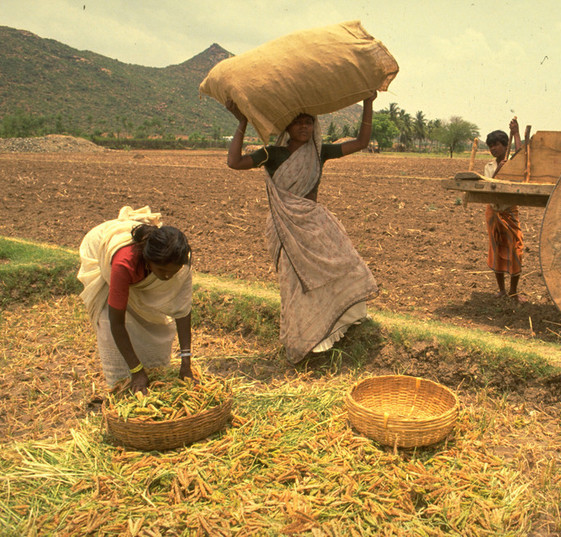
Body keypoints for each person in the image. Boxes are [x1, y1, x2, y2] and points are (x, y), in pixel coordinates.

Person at [225, 95, 379, 364]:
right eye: (298, 123)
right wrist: (243, 121)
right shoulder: (272, 154)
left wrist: (368, 103)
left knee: (339, 268)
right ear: (288, 127)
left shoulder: (320, 152)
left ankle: (333, 330)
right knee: (294, 285)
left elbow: (361, 142)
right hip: (285, 228)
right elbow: (234, 162)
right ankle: (303, 341)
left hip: (315, 225)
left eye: (309, 122)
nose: (304, 127)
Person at [77, 206, 194, 394]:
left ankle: (151, 370)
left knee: (155, 326)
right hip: (100, 251)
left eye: (172, 271)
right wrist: (136, 371)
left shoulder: (181, 263)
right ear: (148, 261)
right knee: (108, 323)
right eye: (162, 270)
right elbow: (117, 323)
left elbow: (183, 310)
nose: (168, 276)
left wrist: (186, 362)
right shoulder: (124, 263)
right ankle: (127, 378)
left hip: (138, 270)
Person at [484, 118, 526, 303]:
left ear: (504, 145)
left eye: (497, 145)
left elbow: (521, 155)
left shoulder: (512, 163)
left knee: (516, 250)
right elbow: (488, 185)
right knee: (496, 249)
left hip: (509, 212)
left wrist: (516, 133)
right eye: (491, 146)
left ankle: (514, 291)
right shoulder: (490, 166)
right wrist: (498, 172)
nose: (494, 149)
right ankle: (501, 290)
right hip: (493, 212)